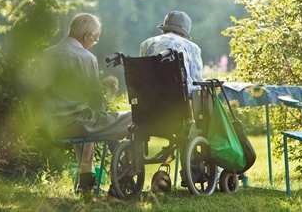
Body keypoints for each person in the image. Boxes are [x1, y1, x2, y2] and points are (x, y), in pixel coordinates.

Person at [41, 13, 130, 196]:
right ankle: (124, 178)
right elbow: (95, 100)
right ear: (87, 36)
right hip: (77, 125)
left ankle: (86, 182)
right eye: (95, 39)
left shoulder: (47, 54)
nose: (94, 43)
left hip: (51, 124)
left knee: (88, 119)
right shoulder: (86, 57)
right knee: (131, 118)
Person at [139, 11, 203, 94]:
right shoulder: (192, 47)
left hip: (149, 100)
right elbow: (197, 80)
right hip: (181, 100)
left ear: (165, 28)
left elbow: (142, 75)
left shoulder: (146, 44)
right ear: (184, 32)